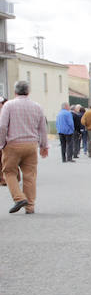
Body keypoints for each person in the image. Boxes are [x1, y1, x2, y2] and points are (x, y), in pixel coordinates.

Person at [0, 81, 50, 213]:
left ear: (15, 92)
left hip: (12, 144)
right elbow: (43, 129)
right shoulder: (37, 106)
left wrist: (1, 143)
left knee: (9, 172)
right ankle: (30, 206)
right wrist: (44, 146)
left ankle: (19, 198)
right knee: (30, 175)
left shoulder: (8, 105)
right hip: (31, 145)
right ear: (28, 92)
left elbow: (2, 126)